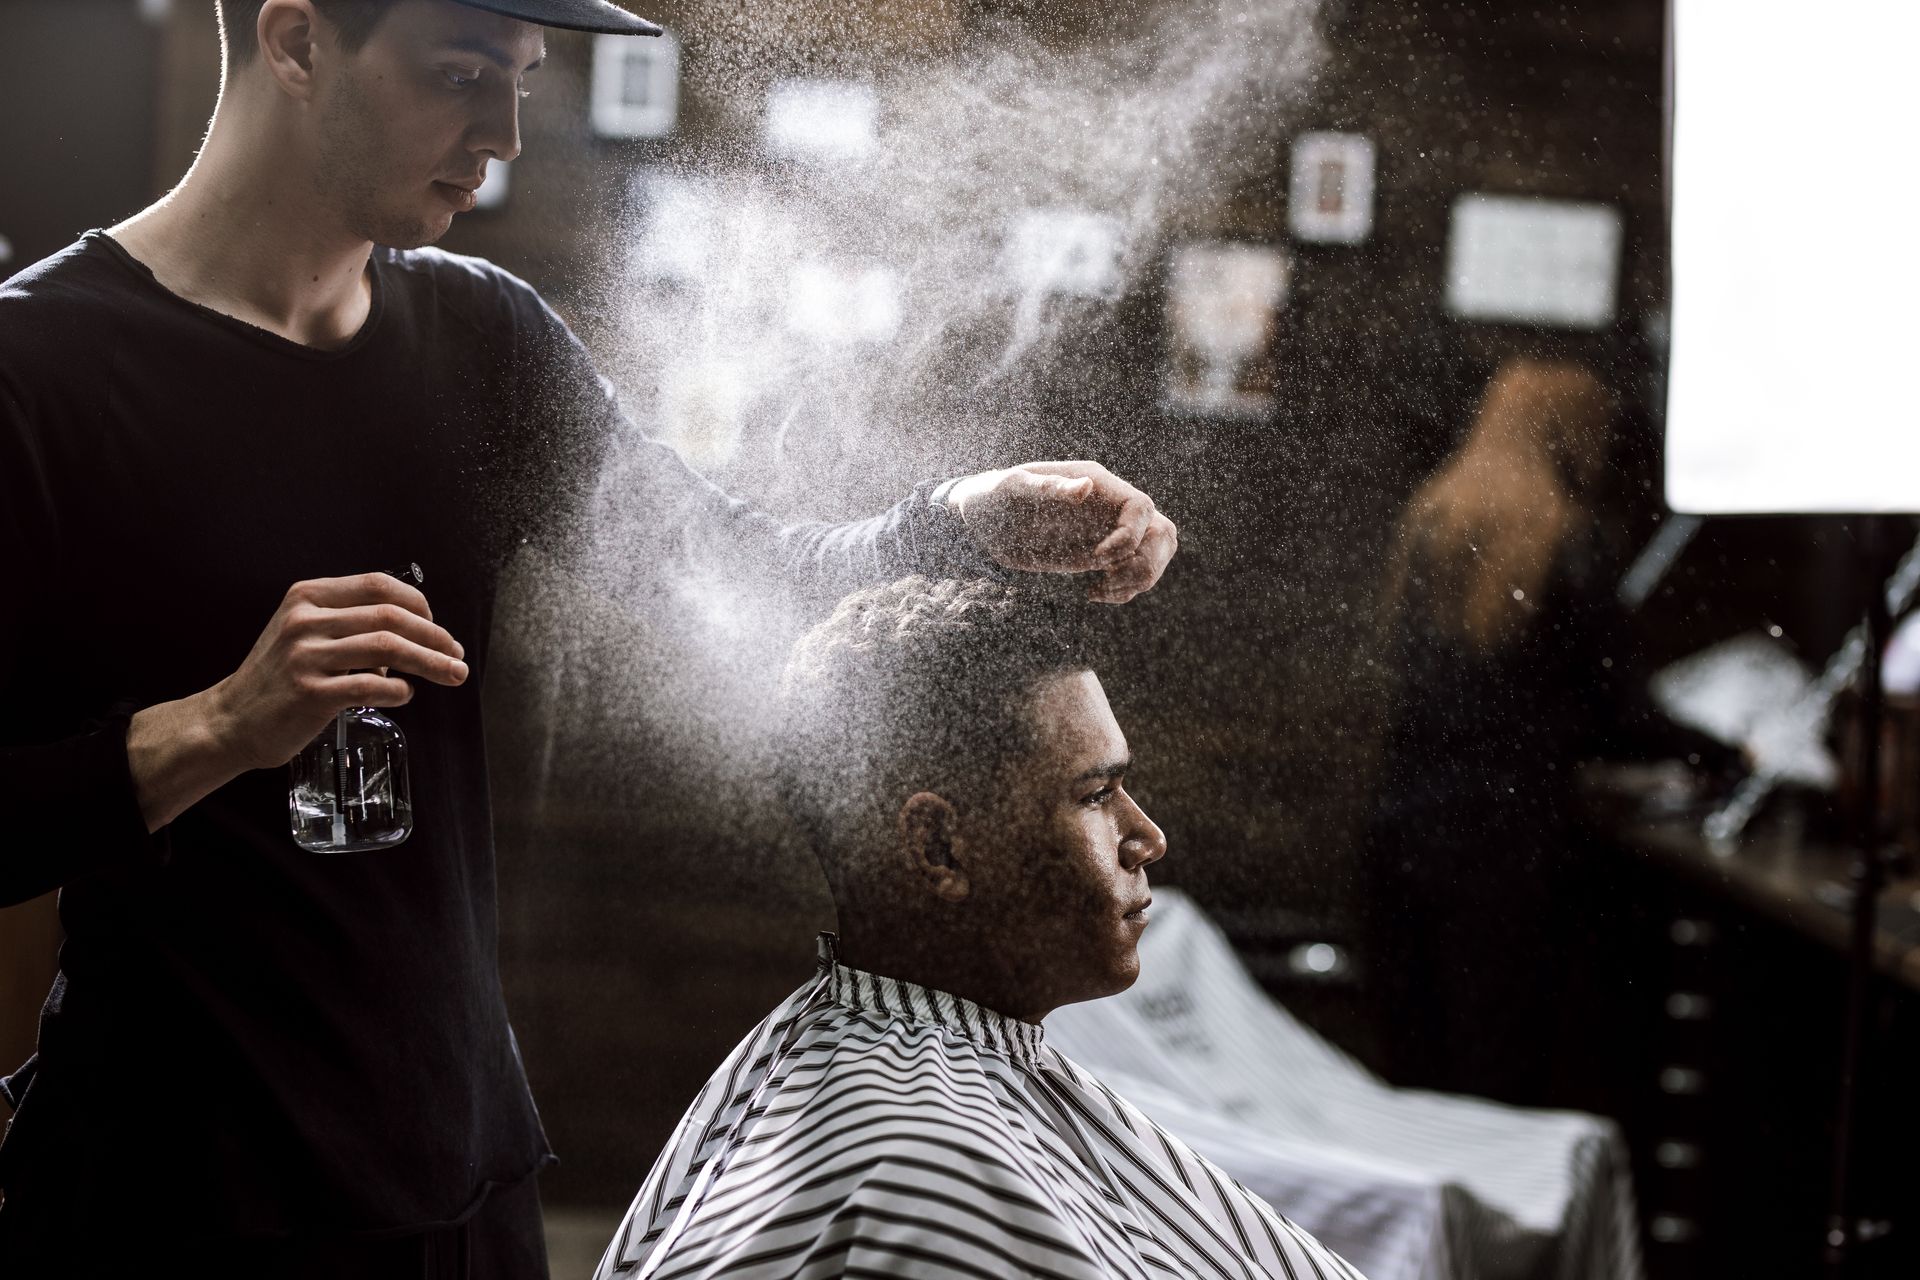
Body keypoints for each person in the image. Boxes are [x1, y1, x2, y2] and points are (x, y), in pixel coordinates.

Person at [0, 1, 1178, 1274]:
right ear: (295, 42)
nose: (500, 133)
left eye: (521, 81)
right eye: (459, 77)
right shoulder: (41, 367)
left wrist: (957, 521)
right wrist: (218, 727)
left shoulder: (483, 343)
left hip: (459, 1178)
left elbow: (730, 567)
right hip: (165, 1192)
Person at [596, 578, 1361, 1280]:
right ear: (941, 847)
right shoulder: (925, 1168)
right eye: (1096, 795)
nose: (1148, 837)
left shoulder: (859, 1060)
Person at [1364, 355, 1626, 1105]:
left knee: (1417, 1059)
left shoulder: (1433, 516)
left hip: (1404, 827)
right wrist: (1729, 749)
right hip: (1507, 847)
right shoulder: (1569, 540)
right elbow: (1617, 710)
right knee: (1497, 1068)